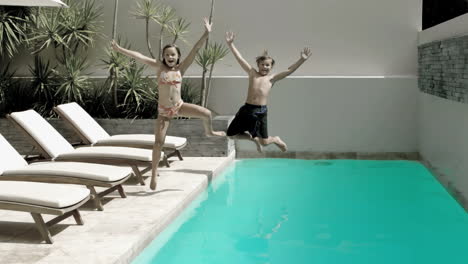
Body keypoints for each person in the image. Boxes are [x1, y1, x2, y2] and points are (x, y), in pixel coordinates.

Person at [112, 18, 226, 190]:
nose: (170, 57)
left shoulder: (181, 69)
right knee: (158, 143)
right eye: (167, 55)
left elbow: (195, 49)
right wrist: (120, 49)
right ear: (163, 57)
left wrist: (206, 33)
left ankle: (209, 132)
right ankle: (154, 174)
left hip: (179, 106)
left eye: (173, 54)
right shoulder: (159, 68)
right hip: (164, 111)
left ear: (178, 56)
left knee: (207, 114)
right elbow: (140, 56)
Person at [225, 31, 311, 153]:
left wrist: (301, 60)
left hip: (260, 111)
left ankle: (275, 139)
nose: (265, 67)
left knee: (264, 143)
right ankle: (253, 138)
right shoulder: (252, 73)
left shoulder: (272, 78)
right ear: (258, 65)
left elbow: (288, 70)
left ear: (271, 67)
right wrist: (231, 44)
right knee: (230, 134)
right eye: (262, 64)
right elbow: (240, 59)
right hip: (246, 109)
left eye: (268, 65)